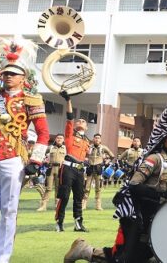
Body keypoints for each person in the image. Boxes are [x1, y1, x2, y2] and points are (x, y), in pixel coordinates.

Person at [64, 102, 167, 263]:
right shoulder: (154, 159)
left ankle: (86, 251)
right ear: (163, 138)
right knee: (126, 258)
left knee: (146, 255)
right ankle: (84, 251)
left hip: (153, 213)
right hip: (135, 213)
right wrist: (162, 194)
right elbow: (134, 185)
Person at [0, 39, 50, 263]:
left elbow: (43, 133)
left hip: (13, 157)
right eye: (5, 74)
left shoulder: (31, 99)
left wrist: (37, 159)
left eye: (13, 74)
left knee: (9, 210)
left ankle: (2, 257)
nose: (8, 77)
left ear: (23, 78)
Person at [55, 95, 91, 232]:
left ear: (87, 127)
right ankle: (59, 222)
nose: (80, 121)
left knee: (78, 197)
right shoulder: (70, 134)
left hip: (80, 170)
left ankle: (78, 223)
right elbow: (70, 116)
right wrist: (68, 100)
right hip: (68, 168)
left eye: (83, 121)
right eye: (79, 120)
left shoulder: (87, 141)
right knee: (64, 196)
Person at [83, 133, 114, 211]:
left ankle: (98, 206)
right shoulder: (89, 147)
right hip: (90, 168)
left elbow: (112, 155)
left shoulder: (103, 148)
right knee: (86, 188)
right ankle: (83, 205)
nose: (97, 139)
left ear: (100, 140)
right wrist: (85, 160)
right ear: (93, 139)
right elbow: (83, 154)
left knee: (98, 188)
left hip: (98, 169)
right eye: (95, 138)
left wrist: (106, 162)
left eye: (98, 138)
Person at [37, 134, 67, 212]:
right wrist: (44, 160)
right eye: (58, 138)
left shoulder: (66, 149)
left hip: (60, 169)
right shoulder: (50, 148)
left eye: (61, 138)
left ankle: (57, 205)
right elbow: (43, 155)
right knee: (48, 188)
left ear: (63, 140)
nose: (59, 139)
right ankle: (43, 205)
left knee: (58, 188)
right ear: (55, 139)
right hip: (51, 168)